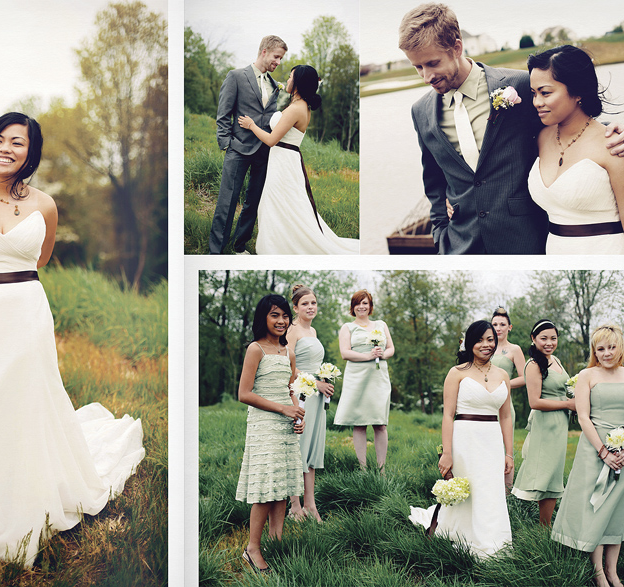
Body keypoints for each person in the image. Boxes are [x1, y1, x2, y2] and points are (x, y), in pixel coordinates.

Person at [0, 112, 145, 566]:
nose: (5, 149)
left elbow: (40, 259)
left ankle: (24, 490)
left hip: (26, 314)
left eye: (17, 143)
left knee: (22, 399)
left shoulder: (45, 205)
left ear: (30, 153)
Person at [397, 3, 624, 254]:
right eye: (418, 67)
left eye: (433, 63)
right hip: (460, 246)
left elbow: (571, 119)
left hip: (524, 241)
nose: (426, 77)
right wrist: (440, 234)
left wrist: (614, 130)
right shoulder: (421, 112)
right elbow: (434, 183)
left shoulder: (522, 86)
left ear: (457, 47)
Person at [527, 45, 624, 255]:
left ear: (577, 92)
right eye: (533, 93)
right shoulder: (539, 137)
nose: (537, 102)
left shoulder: (615, 146)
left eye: (545, 93)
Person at [408, 321, 514, 558]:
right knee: (469, 490)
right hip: (465, 439)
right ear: (469, 343)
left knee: (490, 491)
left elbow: (506, 416)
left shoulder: (503, 375)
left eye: (490, 339)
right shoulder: (457, 373)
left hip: (492, 440)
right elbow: (447, 414)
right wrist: (447, 452)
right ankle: (456, 533)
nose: (485, 345)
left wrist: (509, 453)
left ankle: (493, 542)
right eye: (479, 340)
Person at [552, 324, 624, 587]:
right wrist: (603, 451)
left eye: (611, 347)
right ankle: (598, 573)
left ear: (620, 348)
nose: (606, 353)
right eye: (600, 348)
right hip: (595, 450)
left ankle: (613, 572)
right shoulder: (587, 375)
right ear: (594, 351)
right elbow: (583, 416)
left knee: (618, 511)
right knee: (596, 508)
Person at [237, 65, 359, 254]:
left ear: (298, 83)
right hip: (283, 160)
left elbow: (271, 140)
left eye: (290, 77)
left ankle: (279, 246)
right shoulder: (297, 105)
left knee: (278, 203)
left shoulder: (297, 109)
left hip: (284, 162)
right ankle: (283, 241)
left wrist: (251, 125)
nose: (287, 80)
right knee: (282, 204)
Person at [235, 294, 306, 573]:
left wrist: (296, 412)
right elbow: (244, 393)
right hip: (264, 424)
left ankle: (276, 543)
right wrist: (281, 410)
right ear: (263, 317)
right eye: (275, 315)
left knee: (283, 485)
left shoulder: (288, 351)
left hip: (285, 424)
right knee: (265, 487)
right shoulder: (256, 349)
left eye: (285, 315)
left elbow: (290, 387)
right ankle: (252, 548)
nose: (281, 321)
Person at [208, 35, 287, 255]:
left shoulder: (274, 85)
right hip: (238, 149)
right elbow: (223, 114)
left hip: (264, 151)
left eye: (280, 58)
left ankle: (239, 246)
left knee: (253, 203)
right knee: (227, 202)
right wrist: (226, 144)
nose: (278, 62)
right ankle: (216, 251)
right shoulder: (236, 77)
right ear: (264, 51)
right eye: (276, 57)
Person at [511, 320, 575, 526]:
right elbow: (535, 401)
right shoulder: (533, 364)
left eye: (553, 338)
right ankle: (542, 526)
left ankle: (544, 526)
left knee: (555, 474)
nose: (549, 342)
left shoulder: (555, 360)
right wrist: (567, 404)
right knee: (545, 471)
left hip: (560, 424)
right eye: (544, 338)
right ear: (533, 339)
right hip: (546, 424)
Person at [285, 284, 334, 522]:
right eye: (305, 303)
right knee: (299, 448)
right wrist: (316, 383)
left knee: (313, 448)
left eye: (313, 303)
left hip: (316, 397)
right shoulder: (292, 330)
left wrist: (325, 383)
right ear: (295, 308)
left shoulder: (313, 332)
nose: (310, 307)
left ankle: (310, 505)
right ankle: (294, 507)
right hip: (300, 395)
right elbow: (288, 366)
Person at [333, 290, 394, 471]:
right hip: (357, 377)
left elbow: (391, 348)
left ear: (370, 306)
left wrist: (383, 354)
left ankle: (381, 469)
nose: (362, 306)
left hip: (378, 377)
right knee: (359, 423)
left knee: (380, 424)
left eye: (365, 303)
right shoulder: (347, 327)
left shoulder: (381, 325)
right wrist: (368, 355)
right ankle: (363, 468)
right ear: (353, 306)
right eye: (358, 303)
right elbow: (345, 353)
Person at [490, 307, 527, 489]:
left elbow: (524, 377)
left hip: (503, 402)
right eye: (495, 324)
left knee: (506, 447)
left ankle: (507, 491)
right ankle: (489, 486)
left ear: (509, 327)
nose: (498, 328)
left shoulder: (514, 349)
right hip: (485, 403)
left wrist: (504, 385)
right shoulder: (485, 347)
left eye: (502, 324)